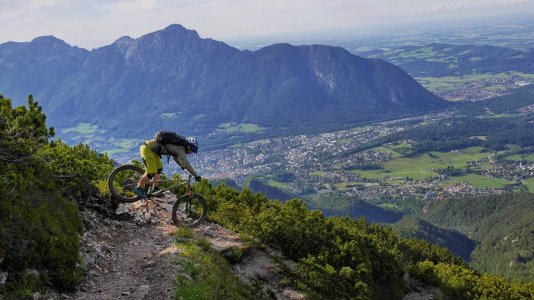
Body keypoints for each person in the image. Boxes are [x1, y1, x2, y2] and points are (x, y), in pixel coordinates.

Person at [133, 132, 201, 198]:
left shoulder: (178, 146)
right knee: (152, 171)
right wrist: (196, 175)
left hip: (153, 151)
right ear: (189, 147)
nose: (190, 153)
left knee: (159, 169)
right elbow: (186, 164)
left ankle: (155, 189)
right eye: (192, 150)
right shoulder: (181, 149)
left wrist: (182, 166)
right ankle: (138, 188)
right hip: (147, 148)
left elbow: (175, 158)